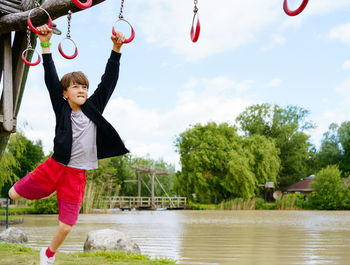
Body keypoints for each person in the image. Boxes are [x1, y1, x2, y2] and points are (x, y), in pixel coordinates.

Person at [8, 24, 129, 265]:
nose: (82, 90)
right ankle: (47, 190)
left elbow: (109, 81)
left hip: (75, 175)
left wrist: (116, 49)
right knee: (12, 194)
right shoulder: (61, 108)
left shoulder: (94, 107)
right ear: (65, 93)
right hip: (53, 167)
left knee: (66, 226)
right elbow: (51, 78)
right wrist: (45, 45)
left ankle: (48, 254)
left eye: (84, 86)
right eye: (76, 86)